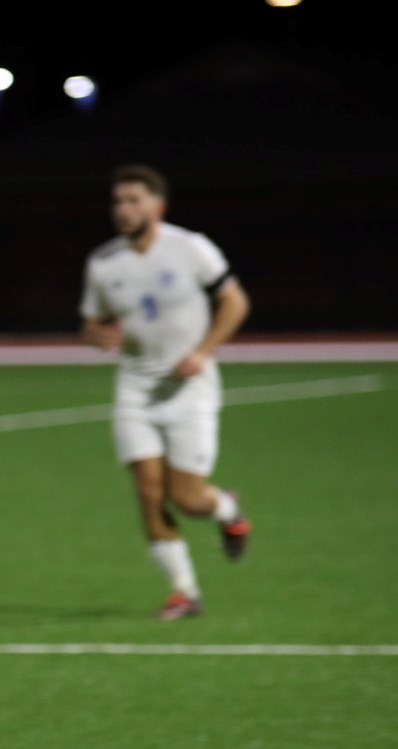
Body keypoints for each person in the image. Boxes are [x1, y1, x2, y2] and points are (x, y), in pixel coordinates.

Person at [79, 164, 254, 620]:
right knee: (148, 493)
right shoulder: (103, 263)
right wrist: (98, 335)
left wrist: (204, 351)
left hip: (189, 390)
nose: (123, 209)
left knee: (189, 500)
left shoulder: (191, 248)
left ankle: (227, 509)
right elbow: (91, 323)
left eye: (133, 200)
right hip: (135, 390)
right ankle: (184, 592)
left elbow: (235, 302)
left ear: (158, 206)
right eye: (118, 201)